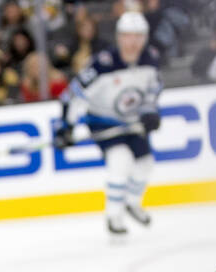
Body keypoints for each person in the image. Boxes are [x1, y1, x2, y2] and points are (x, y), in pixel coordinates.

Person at [57, 11, 163, 236]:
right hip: (102, 121)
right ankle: (114, 216)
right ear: (119, 37)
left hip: (131, 121)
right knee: (120, 160)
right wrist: (65, 127)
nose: (133, 42)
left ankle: (132, 202)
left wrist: (149, 112)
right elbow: (72, 95)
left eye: (138, 36)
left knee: (145, 164)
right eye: (128, 36)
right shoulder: (102, 64)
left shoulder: (151, 59)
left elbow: (154, 88)